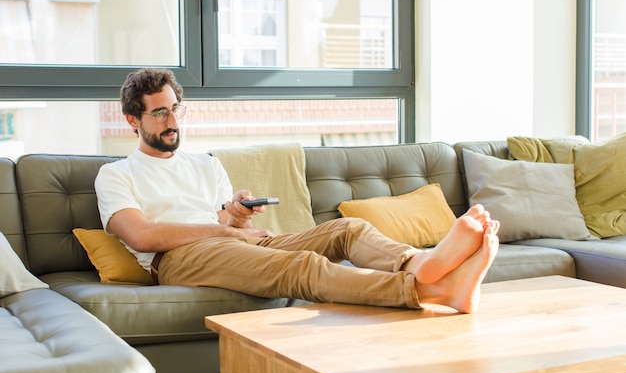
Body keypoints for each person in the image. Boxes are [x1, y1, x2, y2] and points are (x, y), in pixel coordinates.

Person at [95, 68, 500, 314]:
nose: (172, 122)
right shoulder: (117, 174)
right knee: (303, 267)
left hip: (235, 245)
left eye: (176, 109)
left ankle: (420, 263)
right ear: (133, 119)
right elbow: (142, 235)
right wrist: (226, 231)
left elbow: (220, 220)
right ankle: (428, 290)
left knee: (347, 230)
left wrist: (235, 216)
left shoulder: (206, 163)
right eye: (160, 112)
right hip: (177, 261)